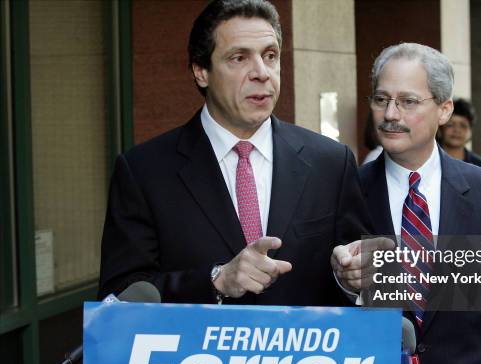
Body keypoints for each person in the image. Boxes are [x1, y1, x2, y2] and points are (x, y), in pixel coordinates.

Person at [98, 0, 372, 306]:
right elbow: (120, 295)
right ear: (201, 71)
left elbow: (364, 278)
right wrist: (216, 280)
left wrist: (353, 280)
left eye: (270, 56)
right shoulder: (143, 172)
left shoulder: (331, 162)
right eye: (239, 58)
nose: (262, 73)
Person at [337, 43, 481, 364]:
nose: (390, 114)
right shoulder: (344, 193)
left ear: (444, 109)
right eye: (381, 99)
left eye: (408, 101)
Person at [438, 98, 481, 173]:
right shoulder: (426, 164)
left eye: (463, 126)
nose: (457, 130)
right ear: (440, 128)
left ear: (470, 131)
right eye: (450, 125)